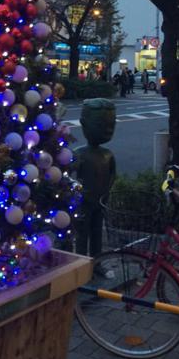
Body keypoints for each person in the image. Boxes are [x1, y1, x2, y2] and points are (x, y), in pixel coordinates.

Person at [74, 99, 117, 258]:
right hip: (84, 202)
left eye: (111, 124)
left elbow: (113, 174)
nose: (107, 129)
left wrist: (107, 191)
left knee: (97, 232)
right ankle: (81, 262)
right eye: (101, 124)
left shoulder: (107, 154)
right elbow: (71, 177)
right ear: (84, 124)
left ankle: (96, 261)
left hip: (100, 201)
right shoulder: (79, 154)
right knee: (82, 234)